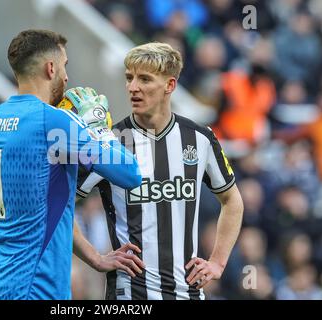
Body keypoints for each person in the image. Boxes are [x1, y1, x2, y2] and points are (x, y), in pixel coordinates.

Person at [0, 29, 143, 300]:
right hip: (36, 290)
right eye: (65, 66)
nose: (67, 77)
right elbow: (129, 173)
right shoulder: (53, 122)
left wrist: (96, 259)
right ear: (51, 67)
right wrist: (99, 128)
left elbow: (51, 207)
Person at [76, 42, 244, 300]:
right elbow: (58, 206)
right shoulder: (109, 143)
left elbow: (232, 200)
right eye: (129, 78)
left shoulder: (200, 138)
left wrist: (217, 263)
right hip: (130, 296)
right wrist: (95, 258)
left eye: (144, 79)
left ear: (170, 85)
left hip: (189, 293)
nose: (133, 87)